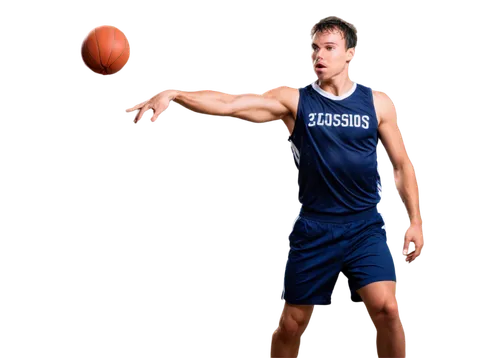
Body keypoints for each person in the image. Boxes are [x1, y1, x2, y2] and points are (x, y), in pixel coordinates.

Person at [124, 15, 425, 358]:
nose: (319, 56)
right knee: (292, 324)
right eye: (315, 49)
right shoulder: (295, 101)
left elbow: (401, 163)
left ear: (351, 55)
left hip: (364, 226)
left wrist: (415, 219)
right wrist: (176, 94)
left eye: (329, 48)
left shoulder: (377, 103)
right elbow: (233, 105)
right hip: (315, 228)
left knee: (387, 311)